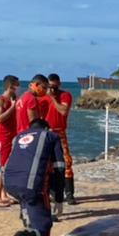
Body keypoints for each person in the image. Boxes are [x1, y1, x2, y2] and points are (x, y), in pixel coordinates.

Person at [0, 104, 66, 236]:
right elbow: (59, 168)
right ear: (46, 128)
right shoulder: (51, 137)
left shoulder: (18, 137)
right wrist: (58, 197)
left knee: (28, 208)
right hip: (31, 183)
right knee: (43, 225)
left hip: (8, 183)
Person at [45, 73, 77, 212]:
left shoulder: (65, 96)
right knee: (47, 163)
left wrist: (52, 98)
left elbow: (63, 111)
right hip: (46, 132)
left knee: (66, 162)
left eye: (54, 86)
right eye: (50, 86)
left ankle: (69, 193)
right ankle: (51, 192)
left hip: (59, 132)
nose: (52, 89)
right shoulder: (42, 97)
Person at [0, 75, 19, 207]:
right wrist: (13, 107)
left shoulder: (14, 100)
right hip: (2, 138)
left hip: (13, 136)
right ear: (10, 86)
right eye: (16, 85)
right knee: (3, 168)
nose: (18, 88)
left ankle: (4, 194)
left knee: (8, 167)